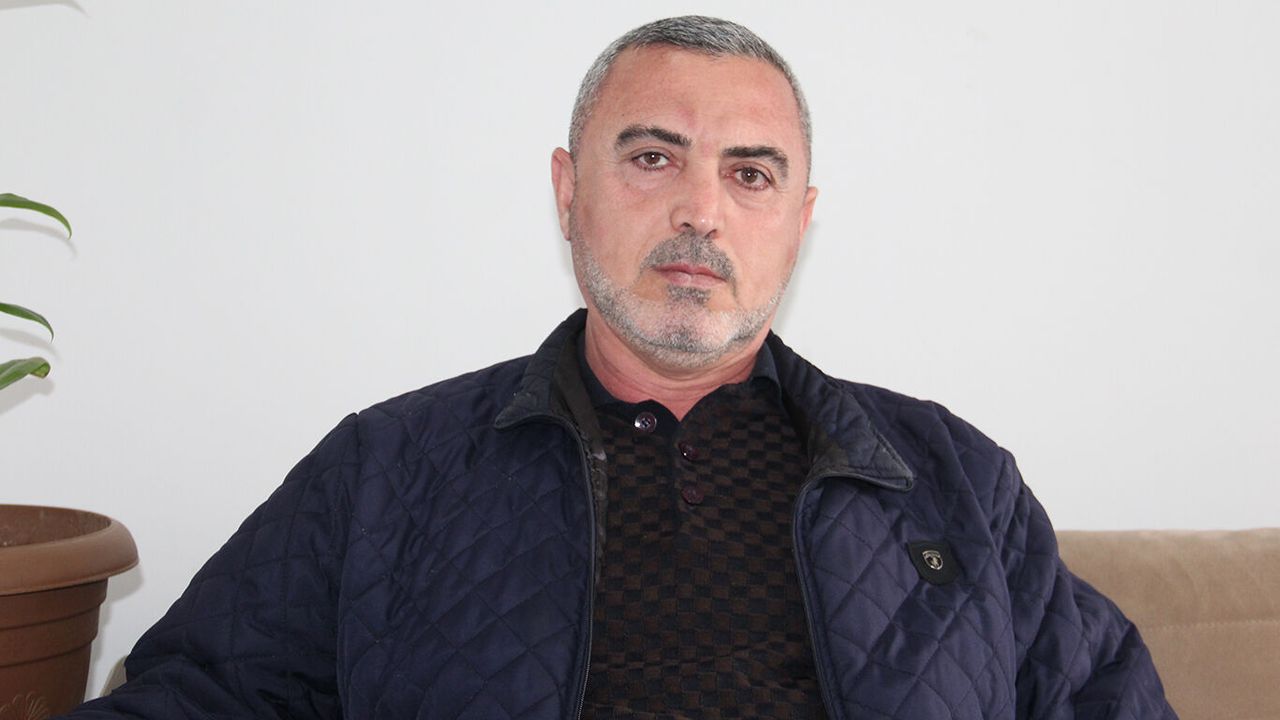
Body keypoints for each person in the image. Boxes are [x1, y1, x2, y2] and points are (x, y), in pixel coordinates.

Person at [62, 16, 1175, 719]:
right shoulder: (387, 469)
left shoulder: (952, 480)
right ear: (567, 191)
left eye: (750, 174)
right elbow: (196, 694)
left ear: (799, 221)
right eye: (652, 157)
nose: (700, 210)